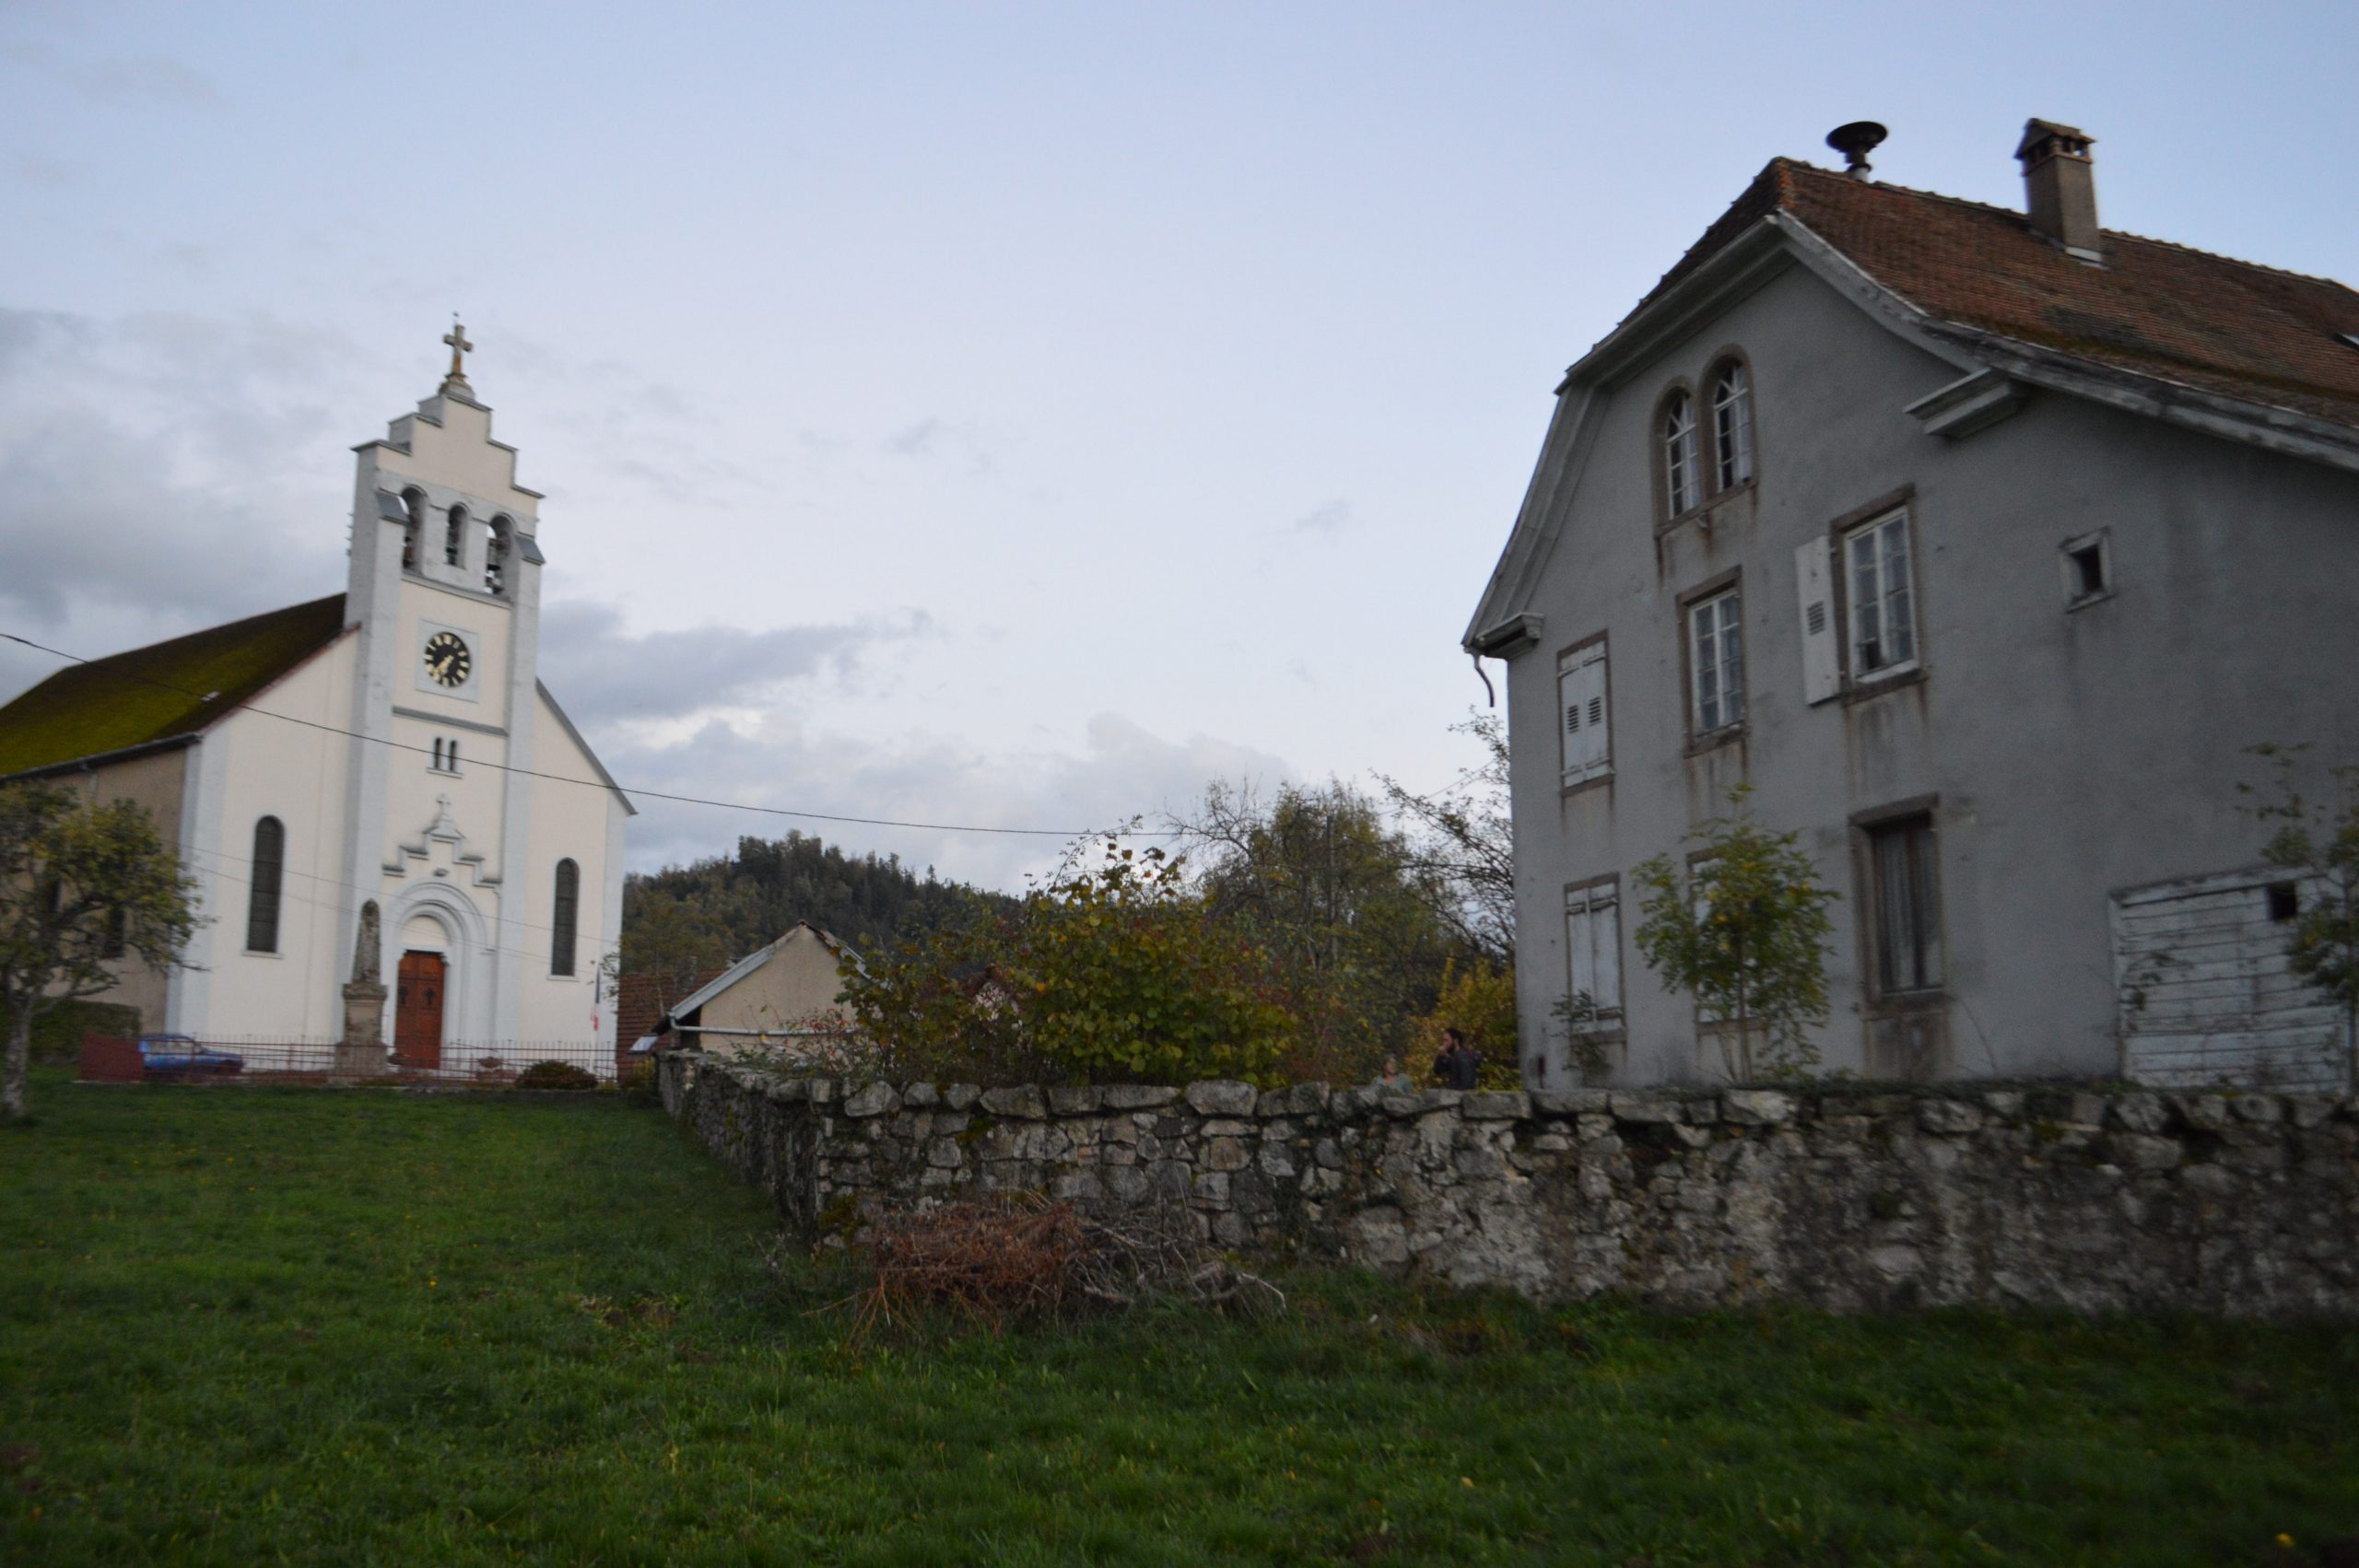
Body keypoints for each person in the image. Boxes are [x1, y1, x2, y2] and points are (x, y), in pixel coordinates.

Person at [1432, 1026, 1480, 1090]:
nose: (1444, 1043)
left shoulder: (1464, 1056)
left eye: (1446, 1040)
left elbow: (1467, 1082)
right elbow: (1437, 1070)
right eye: (1443, 1040)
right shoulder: (1451, 1056)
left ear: (1456, 1041)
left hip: (1461, 1095)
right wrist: (1440, 1056)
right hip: (1453, 1093)